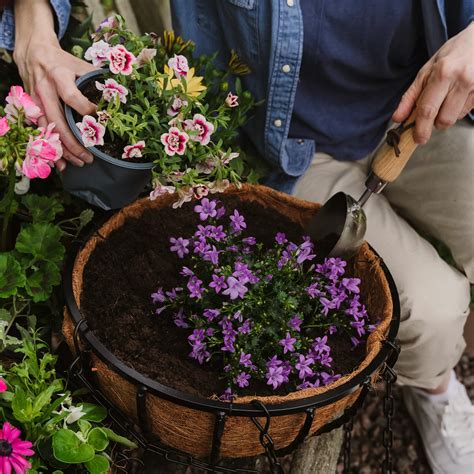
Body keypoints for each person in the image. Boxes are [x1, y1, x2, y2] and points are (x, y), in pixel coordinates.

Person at [1, 1, 473, 472]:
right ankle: (434, 388)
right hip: (294, 146)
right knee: (433, 311)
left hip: (417, 105)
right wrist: (34, 25)